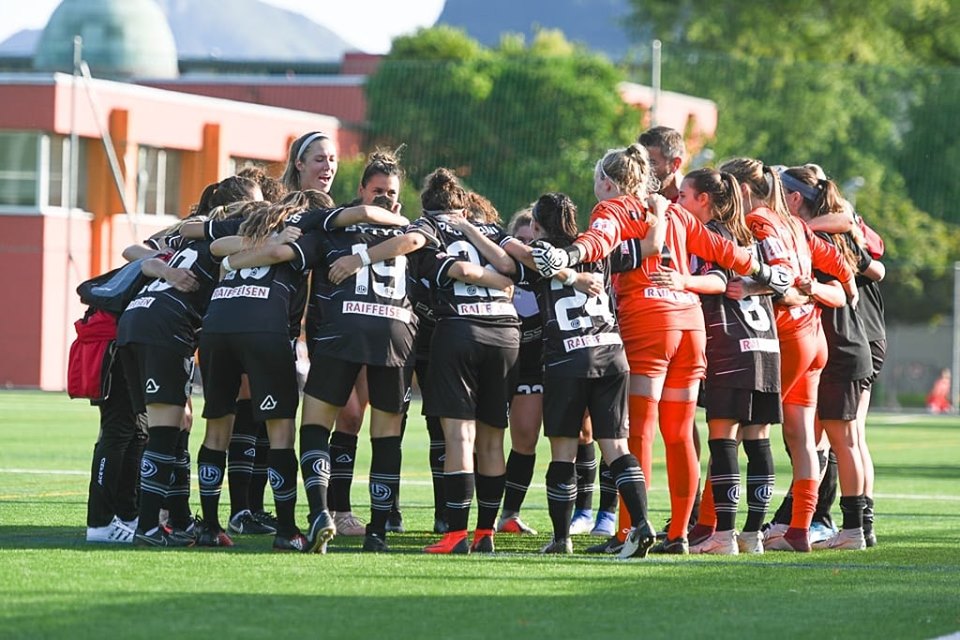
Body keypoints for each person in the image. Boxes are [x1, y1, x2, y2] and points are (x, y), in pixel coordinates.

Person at [533, 144, 774, 555]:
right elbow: (725, 252)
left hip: (649, 321)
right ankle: (680, 533)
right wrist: (767, 273)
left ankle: (631, 532)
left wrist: (569, 254)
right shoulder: (676, 211)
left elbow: (599, 240)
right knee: (680, 433)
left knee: (638, 431)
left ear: (607, 182)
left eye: (597, 181)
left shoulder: (613, 208)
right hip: (689, 324)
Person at [215, 186, 412, 552]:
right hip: (396, 330)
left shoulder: (325, 232)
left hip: (341, 328)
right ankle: (378, 533)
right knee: (386, 435)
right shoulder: (412, 232)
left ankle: (321, 512)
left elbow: (272, 251)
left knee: (314, 426)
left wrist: (228, 264)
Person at [721, 157, 857, 553]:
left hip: (788, 338)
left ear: (743, 190)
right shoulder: (795, 224)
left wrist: (754, 288)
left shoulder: (759, 222)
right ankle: (798, 530)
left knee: (734, 427)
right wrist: (824, 289)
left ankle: (716, 526)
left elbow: (778, 277)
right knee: (801, 440)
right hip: (815, 337)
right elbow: (844, 273)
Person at [525, 192, 659, 557]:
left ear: (537, 225)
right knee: (616, 447)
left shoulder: (535, 255)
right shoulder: (599, 251)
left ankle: (561, 538)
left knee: (563, 452)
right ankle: (643, 523)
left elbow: (513, 258)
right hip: (613, 354)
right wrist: (658, 212)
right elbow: (650, 245)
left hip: (567, 359)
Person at [671, 168, 781, 555]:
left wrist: (680, 281)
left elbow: (717, 280)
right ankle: (751, 536)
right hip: (767, 348)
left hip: (732, 347)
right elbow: (782, 278)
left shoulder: (711, 236)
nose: (678, 203)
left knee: (723, 440)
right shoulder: (753, 235)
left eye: (683, 196)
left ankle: (724, 536)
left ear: (704, 199)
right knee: (758, 440)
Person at [781, 165, 880, 551]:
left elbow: (863, 276)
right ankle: (860, 528)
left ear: (795, 200)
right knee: (850, 440)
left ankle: (852, 528)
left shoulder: (816, 237)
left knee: (841, 441)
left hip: (841, 347)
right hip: (855, 344)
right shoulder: (834, 235)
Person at [322, 149, 407, 537]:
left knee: (374, 422)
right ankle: (333, 508)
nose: (385, 198)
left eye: (391, 192)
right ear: (361, 190)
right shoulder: (341, 221)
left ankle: (384, 511)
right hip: (338, 330)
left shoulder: (407, 231)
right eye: (377, 191)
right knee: (348, 416)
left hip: (385, 332)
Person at [638, 126, 686, 203]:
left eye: (652, 163)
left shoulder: (692, 201)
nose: (643, 169)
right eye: (641, 162)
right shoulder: (634, 193)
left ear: (675, 164)